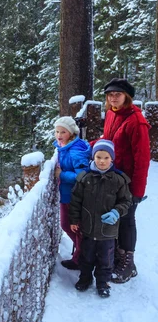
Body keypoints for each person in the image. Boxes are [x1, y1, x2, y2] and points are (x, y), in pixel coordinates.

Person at [96, 78, 150, 283]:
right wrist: (90, 146)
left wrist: (137, 191)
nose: (113, 97)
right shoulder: (112, 113)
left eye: (117, 94)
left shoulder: (136, 121)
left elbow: (142, 158)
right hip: (113, 177)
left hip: (128, 180)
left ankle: (128, 264)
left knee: (127, 219)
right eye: (110, 94)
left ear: (127, 97)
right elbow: (108, 140)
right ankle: (118, 257)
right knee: (116, 218)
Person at [69, 140, 132, 298]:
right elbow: (75, 201)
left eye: (106, 157)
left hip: (108, 231)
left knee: (106, 259)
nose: (102, 161)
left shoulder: (119, 180)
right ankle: (85, 278)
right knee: (86, 256)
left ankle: (103, 283)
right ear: (93, 157)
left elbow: (126, 201)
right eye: (98, 157)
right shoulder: (85, 179)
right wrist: (74, 220)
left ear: (112, 159)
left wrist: (117, 212)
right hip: (88, 229)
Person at [53, 116, 91, 270]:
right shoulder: (64, 146)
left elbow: (82, 176)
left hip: (74, 197)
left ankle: (81, 258)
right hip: (67, 195)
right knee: (67, 225)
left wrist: (61, 175)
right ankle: (83, 254)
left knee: (73, 227)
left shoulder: (75, 150)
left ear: (71, 133)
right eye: (57, 131)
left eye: (63, 131)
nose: (59, 135)